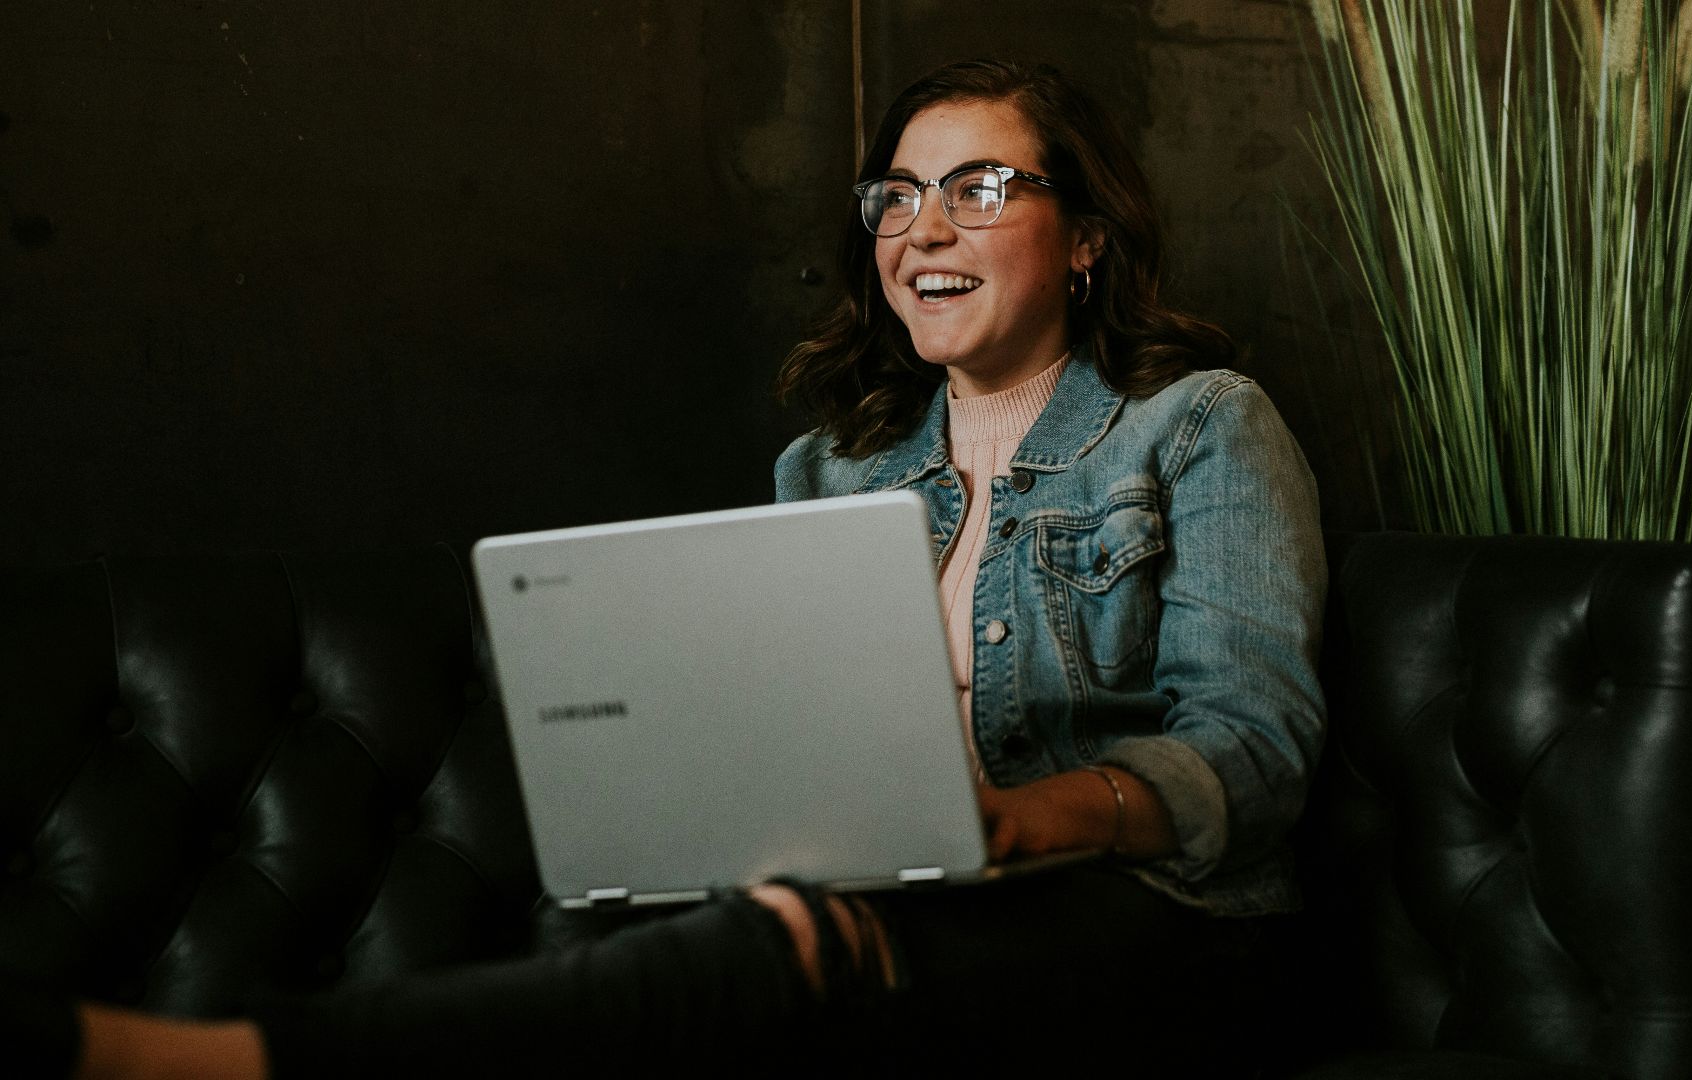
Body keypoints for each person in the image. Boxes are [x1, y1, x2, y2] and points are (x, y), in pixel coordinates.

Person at [16, 58, 1326, 1078]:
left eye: (980, 190)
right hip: (913, 921)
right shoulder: (831, 468)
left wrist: (1020, 821)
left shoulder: (1201, 423)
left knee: (765, 970)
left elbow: (1252, 756)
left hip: (1162, 933)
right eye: (895, 198)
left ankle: (218, 1063)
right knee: (637, 946)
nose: (922, 230)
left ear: (1086, 238)